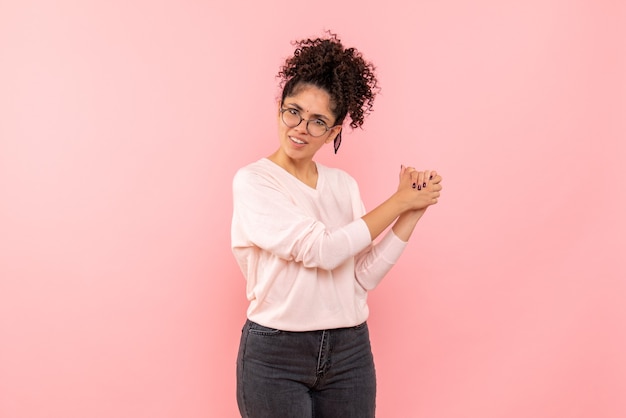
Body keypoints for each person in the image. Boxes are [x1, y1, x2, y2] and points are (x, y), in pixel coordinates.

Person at [231, 32, 442, 418]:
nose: (299, 128)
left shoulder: (343, 186)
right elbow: (323, 250)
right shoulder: (254, 182)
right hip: (277, 353)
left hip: (350, 351)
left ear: (334, 131)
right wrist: (397, 201)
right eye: (293, 111)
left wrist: (412, 212)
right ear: (280, 107)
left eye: (317, 122)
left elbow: (360, 276)